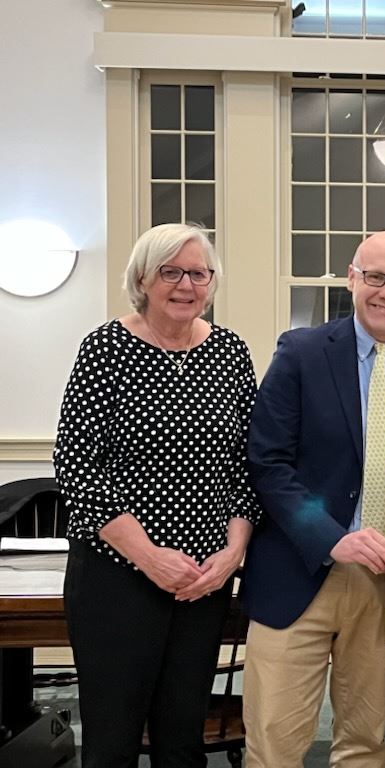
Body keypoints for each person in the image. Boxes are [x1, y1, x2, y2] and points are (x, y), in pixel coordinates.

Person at [243, 231, 385, 768]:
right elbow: (267, 463)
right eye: (375, 277)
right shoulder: (300, 353)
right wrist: (332, 538)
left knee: (364, 745)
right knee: (273, 746)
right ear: (352, 278)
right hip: (298, 573)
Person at [54, 223, 260, 768]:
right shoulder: (106, 348)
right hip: (116, 574)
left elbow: (247, 468)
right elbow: (77, 468)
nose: (186, 284)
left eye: (199, 273)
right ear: (143, 279)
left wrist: (232, 553)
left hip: (202, 581)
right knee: (112, 740)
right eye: (171, 271)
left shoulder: (230, 353)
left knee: (182, 738)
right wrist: (148, 556)